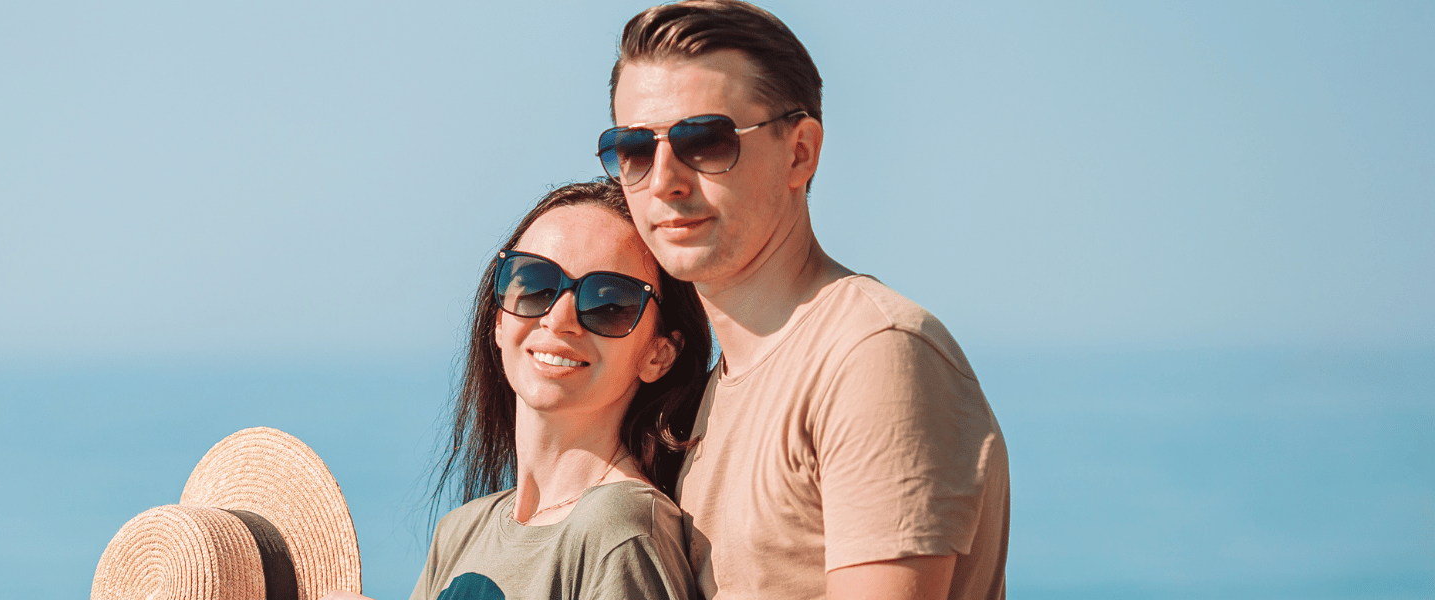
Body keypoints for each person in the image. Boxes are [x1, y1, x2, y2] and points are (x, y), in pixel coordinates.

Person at [598, 2, 1010, 599]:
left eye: (706, 141)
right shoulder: (714, 389)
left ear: (800, 153)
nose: (664, 178)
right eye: (634, 148)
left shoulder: (874, 356)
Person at [408, 179, 714, 599]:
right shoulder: (459, 532)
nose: (558, 317)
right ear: (500, 319)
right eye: (534, 283)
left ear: (659, 354)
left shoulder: (620, 530)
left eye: (608, 303)